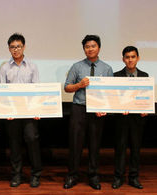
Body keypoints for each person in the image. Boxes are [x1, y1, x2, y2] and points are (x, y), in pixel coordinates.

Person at [63, 35, 113, 190]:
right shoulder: (77, 67)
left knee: (95, 144)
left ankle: (93, 175)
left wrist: (104, 108)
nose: (90, 49)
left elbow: (110, 92)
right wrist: (79, 84)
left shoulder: (106, 68)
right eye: (87, 46)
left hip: (97, 111)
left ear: (99, 47)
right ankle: (72, 175)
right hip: (79, 108)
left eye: (93, 46)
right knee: (75, 144)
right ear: (84, 49)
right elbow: (67, 87)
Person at [0, 33, 42, 188]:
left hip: (29, 111)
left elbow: (37, 90)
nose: (15, 49)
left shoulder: (32, 66)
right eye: (12, 47)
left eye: (18, 46)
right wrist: (6, 111)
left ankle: (36, 174)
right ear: (9, 49)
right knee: (14, 143)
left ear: (23, 47)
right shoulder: (4, 67)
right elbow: (2, 92)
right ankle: (16, 174)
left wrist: (37, 110)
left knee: (32, 139)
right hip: (11, 113)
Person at [111, 46, 148, 189]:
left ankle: (134, 177)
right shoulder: (116, 76)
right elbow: (113, 97)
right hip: (121, 118)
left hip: (137, 119)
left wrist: (146, 109)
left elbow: (146, 97)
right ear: (123, 59)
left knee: (136, 149)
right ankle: (118, 177)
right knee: (120, 148)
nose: (130, 59)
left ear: (138, 58)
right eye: (127, 57)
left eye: (133, 57)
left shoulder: (145, 76)